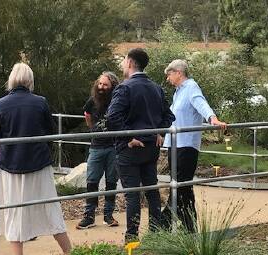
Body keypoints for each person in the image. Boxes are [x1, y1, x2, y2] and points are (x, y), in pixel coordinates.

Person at [0, 63, 71, 255]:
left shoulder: (0, 104)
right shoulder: (40, 102)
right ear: (30, 80)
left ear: (11, 79)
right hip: (38, 163)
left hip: (10, 164)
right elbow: (50, 132)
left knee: (14, 213)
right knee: (51, 208)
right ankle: (70, 252)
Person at [106, 48, 175, 243]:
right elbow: (168, 116)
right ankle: (155, 234)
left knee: (133, 195)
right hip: (151, 147)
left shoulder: (125, 88)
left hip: (131, 148)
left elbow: (112, 118)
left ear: (129, 62)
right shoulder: (156, 88)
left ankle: (132, 237)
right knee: (152, 191)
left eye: (123, 60)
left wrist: (129, 136)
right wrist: (158, 131)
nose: (122, 64)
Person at [161, 59, 227, 232]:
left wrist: (212, 118)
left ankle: (164, 222)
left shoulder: (191, 87)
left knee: (180, 184)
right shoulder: (178, 92)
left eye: (169, 74)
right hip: (174, 144)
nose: (168, 79)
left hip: (186, 145)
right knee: (181, 186)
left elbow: (201, 103)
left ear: (178, 73)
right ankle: (189, 226)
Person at [76, 72, 120, 229]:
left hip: (113, 146)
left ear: (112, 86)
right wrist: (93, 129)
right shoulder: (92, 100)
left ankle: (108, 215)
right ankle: (89, 216)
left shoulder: (117, 100)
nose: (101, 87)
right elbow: (87, 114)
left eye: (105, 85)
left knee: (111, 181)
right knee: (92, 181)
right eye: (100, 84)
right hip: (96, 146)